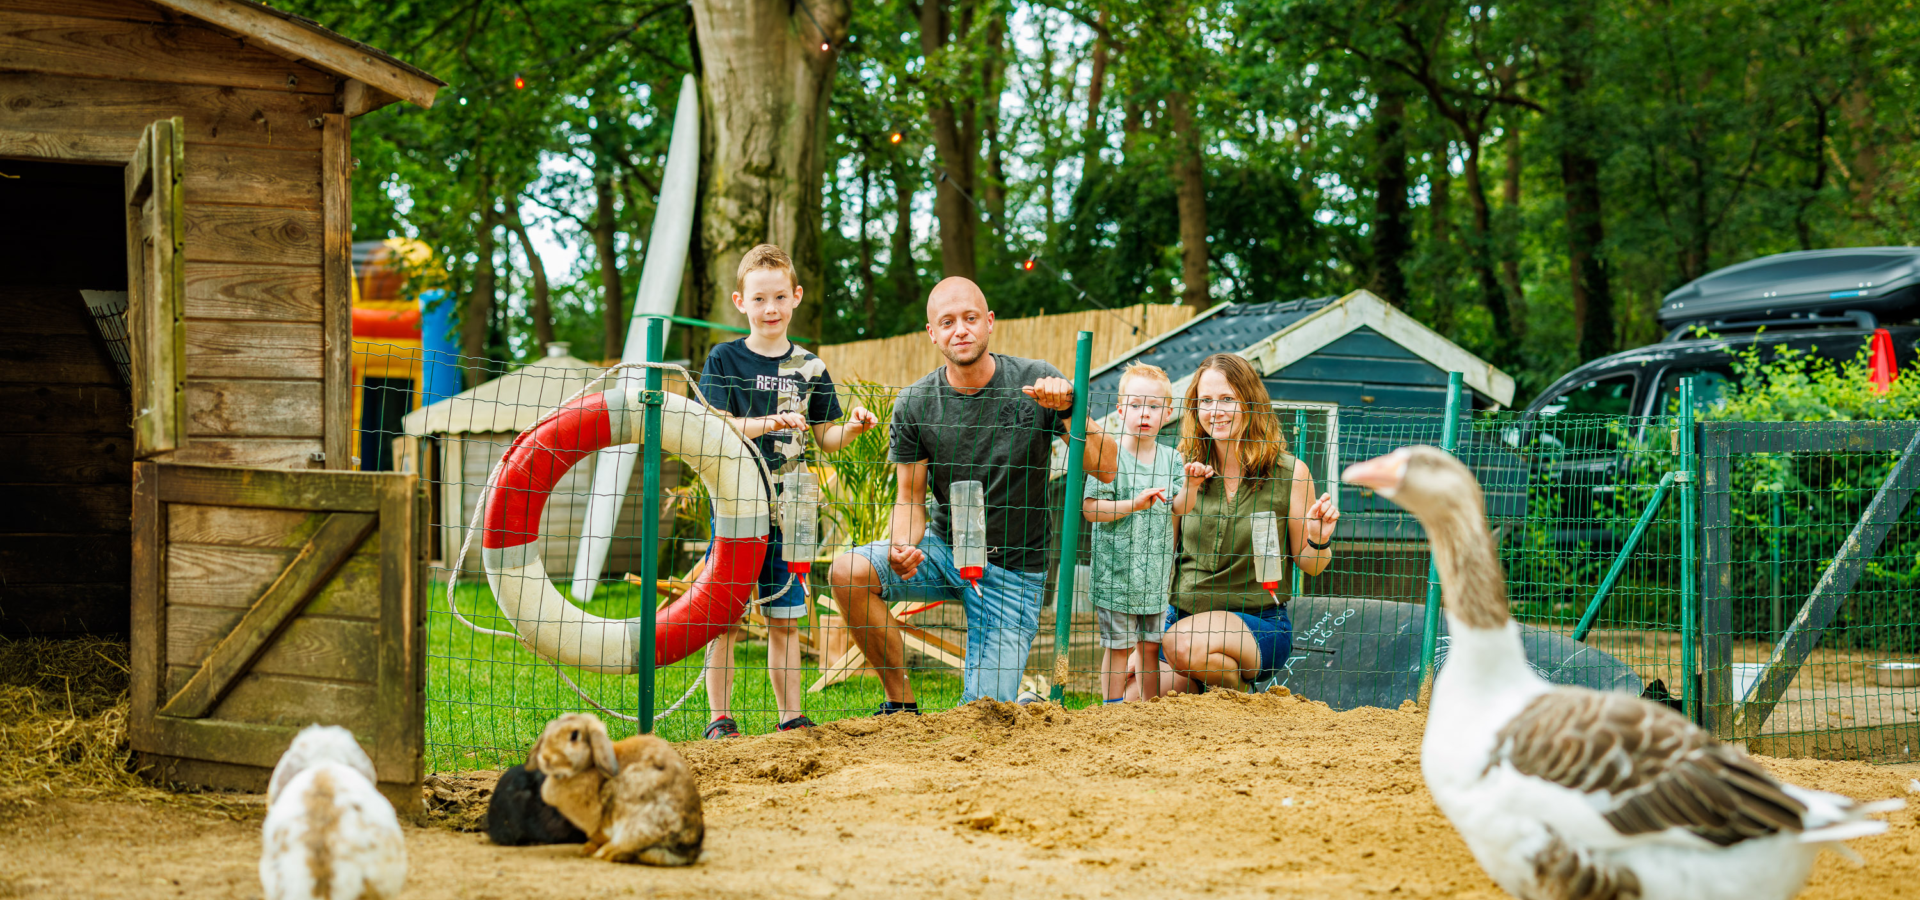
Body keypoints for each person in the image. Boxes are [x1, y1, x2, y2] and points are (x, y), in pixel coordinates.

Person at [828, 277, 1119, 710]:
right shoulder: (916, 403)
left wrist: (1071, 410)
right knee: (847, 571)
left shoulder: (1037, 381)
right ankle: (901, 706)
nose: (960, 330)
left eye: (969, 318)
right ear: (932, 333)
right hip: (942, 551)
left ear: (989, 323)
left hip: (1014, 570)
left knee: (981, 714)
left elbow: (1107, 468)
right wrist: (902, 547)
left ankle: (1020, 698)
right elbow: (909, 497)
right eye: (947, 322)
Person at [696, 244, 877, 738]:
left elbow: (827, 438)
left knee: (786, 619)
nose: (770, 308)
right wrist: (770, 421)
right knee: (725, 619)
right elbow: (715, 428)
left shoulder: (812, 368)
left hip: (791, 512)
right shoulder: (723, 359)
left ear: (795, 297)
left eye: (779, 296)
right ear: (741, 302)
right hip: (736, 506)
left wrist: (855, 427)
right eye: (759, 299)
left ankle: (791, 719)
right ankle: (720, 719)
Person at [1129, 353, 1339, 697]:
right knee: (1135, 696)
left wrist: (1317, 539)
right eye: (1206, 401)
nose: (1215, 411)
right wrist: (1142, 638)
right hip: (1180, 619)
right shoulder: (1181, 469)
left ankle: (1228, 694)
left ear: (1250, 402)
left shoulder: (1290, 472)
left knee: (1184, 644)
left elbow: (1312, 566)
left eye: (1227, 399)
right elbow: (1159, 554)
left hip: (1259, 626)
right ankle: (1227, 690)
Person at [1081, 362, 1182, 703]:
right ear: (1121, 410)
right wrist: (1133, 506)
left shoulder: (1172, 460)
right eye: (1136, 405)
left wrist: (1194, 484)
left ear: (1167, 413)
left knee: (1151, 647)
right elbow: (1091, 509)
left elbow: (1182, 507)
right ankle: (1111, 711)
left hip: (1154, 577)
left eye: (1153, 407)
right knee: (1119, 647)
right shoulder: (1108, 456)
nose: (1144, 414)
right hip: (1115, 576)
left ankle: (1147, 712)